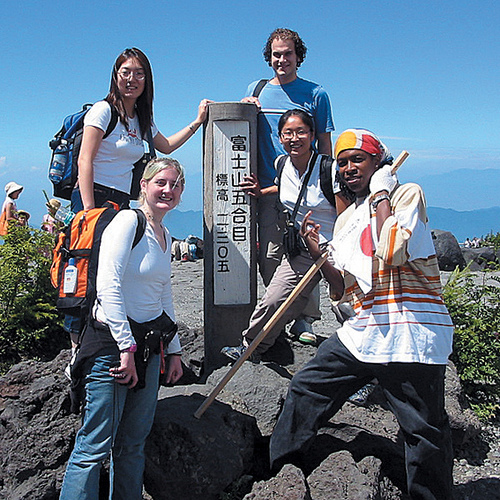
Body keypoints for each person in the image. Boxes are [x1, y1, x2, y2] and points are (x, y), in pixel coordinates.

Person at [269, 129, 454, 499]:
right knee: (307, 387)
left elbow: (392, 249)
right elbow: (342, 291)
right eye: (342, 162)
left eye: (358, 159)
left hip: (410, 330)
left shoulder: (405, 195)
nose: (349, 167)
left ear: (377, 162)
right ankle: (278, 474)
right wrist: (319, 252)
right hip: (365, 329)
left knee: (422, 430)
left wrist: (382, 192)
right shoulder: (348, 219)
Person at [64, 47, 210, 346]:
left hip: (121, 202)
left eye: (139, 73)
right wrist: (89, 211)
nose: (132, 79)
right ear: (115, 76)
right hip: (93, 196)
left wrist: (197, 122)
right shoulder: (103, 111)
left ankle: (109, 335)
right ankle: (78, 345)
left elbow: (166, 146)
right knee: (88, 269)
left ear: (147, 79)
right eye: (126, 72)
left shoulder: (140, 118)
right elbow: (85, 160)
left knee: (115, 268)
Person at [60, 157, 185, 499]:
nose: (168, 190)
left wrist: (173, 350)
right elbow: (107, 285)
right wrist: (125, 347)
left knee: (132, 445)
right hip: (110, 349)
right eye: (161, 182)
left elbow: (163, 292)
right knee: (93, 448)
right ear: (143, 185)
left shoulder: (165, 233)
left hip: (146, 347)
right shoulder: (128, 221)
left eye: (175, 185)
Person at [240, 28, 345, 342]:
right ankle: (282, 319)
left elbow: (325, 143)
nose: (281, 60)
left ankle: (306, 320)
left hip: (310, 190)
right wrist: (246, 107)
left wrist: (326, 186)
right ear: (268, 58)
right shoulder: (256, 90)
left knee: (311, 251)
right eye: (276, 54)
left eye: (287, 53)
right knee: (272, 256)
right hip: (270, 187)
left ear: (299, 56)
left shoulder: (316, 93)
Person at [221, 109, 341, 362]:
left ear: (312, 135)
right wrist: (261, 192)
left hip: (338, 250)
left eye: (301, 132)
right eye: (288, 133)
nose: (294, 138)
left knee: (349, 308)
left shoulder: (328, 169)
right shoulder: (282, 164)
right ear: (280, 137)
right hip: (303, 249)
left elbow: (347, 214)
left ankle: (371, 374)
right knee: (274, 300)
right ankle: (252, 348)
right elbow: (287, 188)